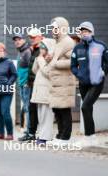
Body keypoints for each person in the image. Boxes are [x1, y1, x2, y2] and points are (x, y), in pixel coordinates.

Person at [71, 21, 108, 146]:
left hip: (96, 83)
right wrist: (79, 75)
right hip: (83, 83)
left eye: (86, 31)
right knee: (88, 109)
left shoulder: (101, 46)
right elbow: (73, 66)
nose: (84, 33)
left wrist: (103, 72)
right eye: (82, 31)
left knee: (84, 107)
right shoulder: (77, 48)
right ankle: (91, 138)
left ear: (92, 32)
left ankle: (89, 136)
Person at [48, 17, 76, 145]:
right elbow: (53, 60)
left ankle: (65, 137)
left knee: (64, 110)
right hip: (56, 82)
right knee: (57, 110)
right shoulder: (56, 42)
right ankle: (59, 135)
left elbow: (73, 62)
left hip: (65, 82)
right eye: (52, 27)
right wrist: (49, 59)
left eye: (56, 27)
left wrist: (56, 63)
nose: (53, 30)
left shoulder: (68, 42)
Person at [0, 42, 17, 141]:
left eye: (1, 51)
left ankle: (10, 134)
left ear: (4, 52)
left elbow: (14, 75)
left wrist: (9, 83)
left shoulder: (9, 62)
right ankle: (1, 133)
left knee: (5, 112)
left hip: (6, 92)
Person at [31, 38, 56, 145]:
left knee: (47, 116)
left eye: (42, 47)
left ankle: (46, 137)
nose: (40, 49)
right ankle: (41, 135)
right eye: (40, 47)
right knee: (41, 116)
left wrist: (41, 60)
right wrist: (38, 60)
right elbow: (34, 70)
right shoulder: (41, 59)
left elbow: (47, 72)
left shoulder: (52, 60)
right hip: (39, 92)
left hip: (47, 92)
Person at [12, 34, 32, 141]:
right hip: (22, 83)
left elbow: (31, 68)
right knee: (25, 107)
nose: (17, 41)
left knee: (27, 108)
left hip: (26, 84)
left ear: (24, 40)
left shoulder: (27, 52)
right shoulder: (20, 52)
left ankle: (29, 132)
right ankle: (27, 131)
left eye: (19, 39)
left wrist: (27, 82)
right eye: (15, 40)